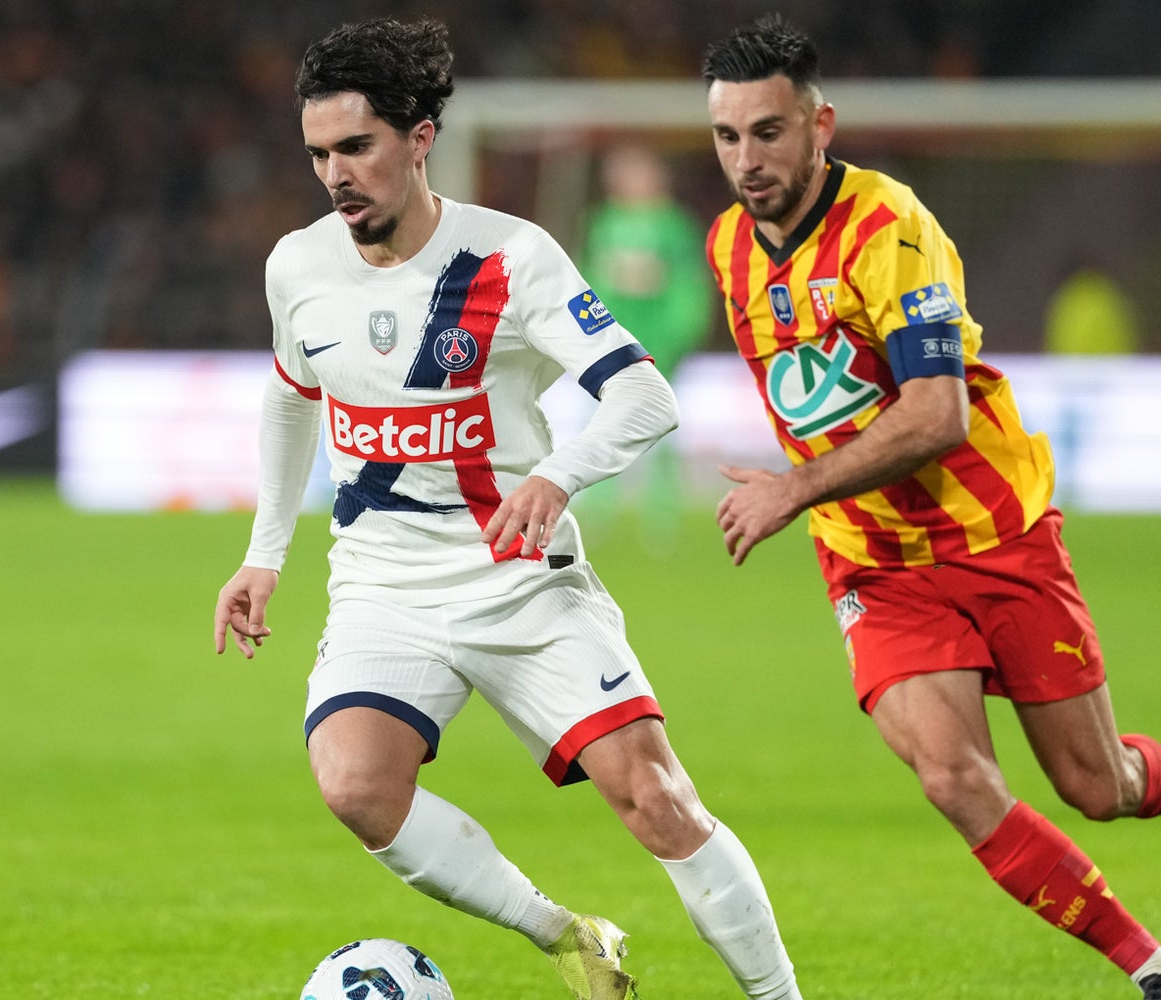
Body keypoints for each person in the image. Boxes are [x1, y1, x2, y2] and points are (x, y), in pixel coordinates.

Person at [697, 17, 1161, 1000]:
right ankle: (1158, 974)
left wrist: (793, 488)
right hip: (875, 566)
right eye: (726, 137)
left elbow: (934, 415)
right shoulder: (728, 248)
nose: (745, 160)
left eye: (767, 132)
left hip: (993, 534)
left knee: (1092, 784)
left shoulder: (888, 229)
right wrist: (813, 497)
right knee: (952, 779)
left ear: (820, 124)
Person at [211, 18, 803, 1000]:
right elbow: (287, 395)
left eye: (356, 147)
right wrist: (263, 553)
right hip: (382, 586)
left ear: (418, 137)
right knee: (356, 785)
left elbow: (643, 395)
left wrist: (557, 473)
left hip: (518, 578)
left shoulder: (512, 259)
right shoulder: (297, 267)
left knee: (654, 797)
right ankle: (564, 932)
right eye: (317, 154)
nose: (335, 175)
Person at [577, 144, 716, 532]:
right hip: (614, 338)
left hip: (658, 337)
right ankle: (600, 503)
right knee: (602, 415)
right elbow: (588, 280)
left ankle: (663, 505)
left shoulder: (674, 225)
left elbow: (690, 282)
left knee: (662, 417)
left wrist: (681, 327)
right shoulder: (604, 222)